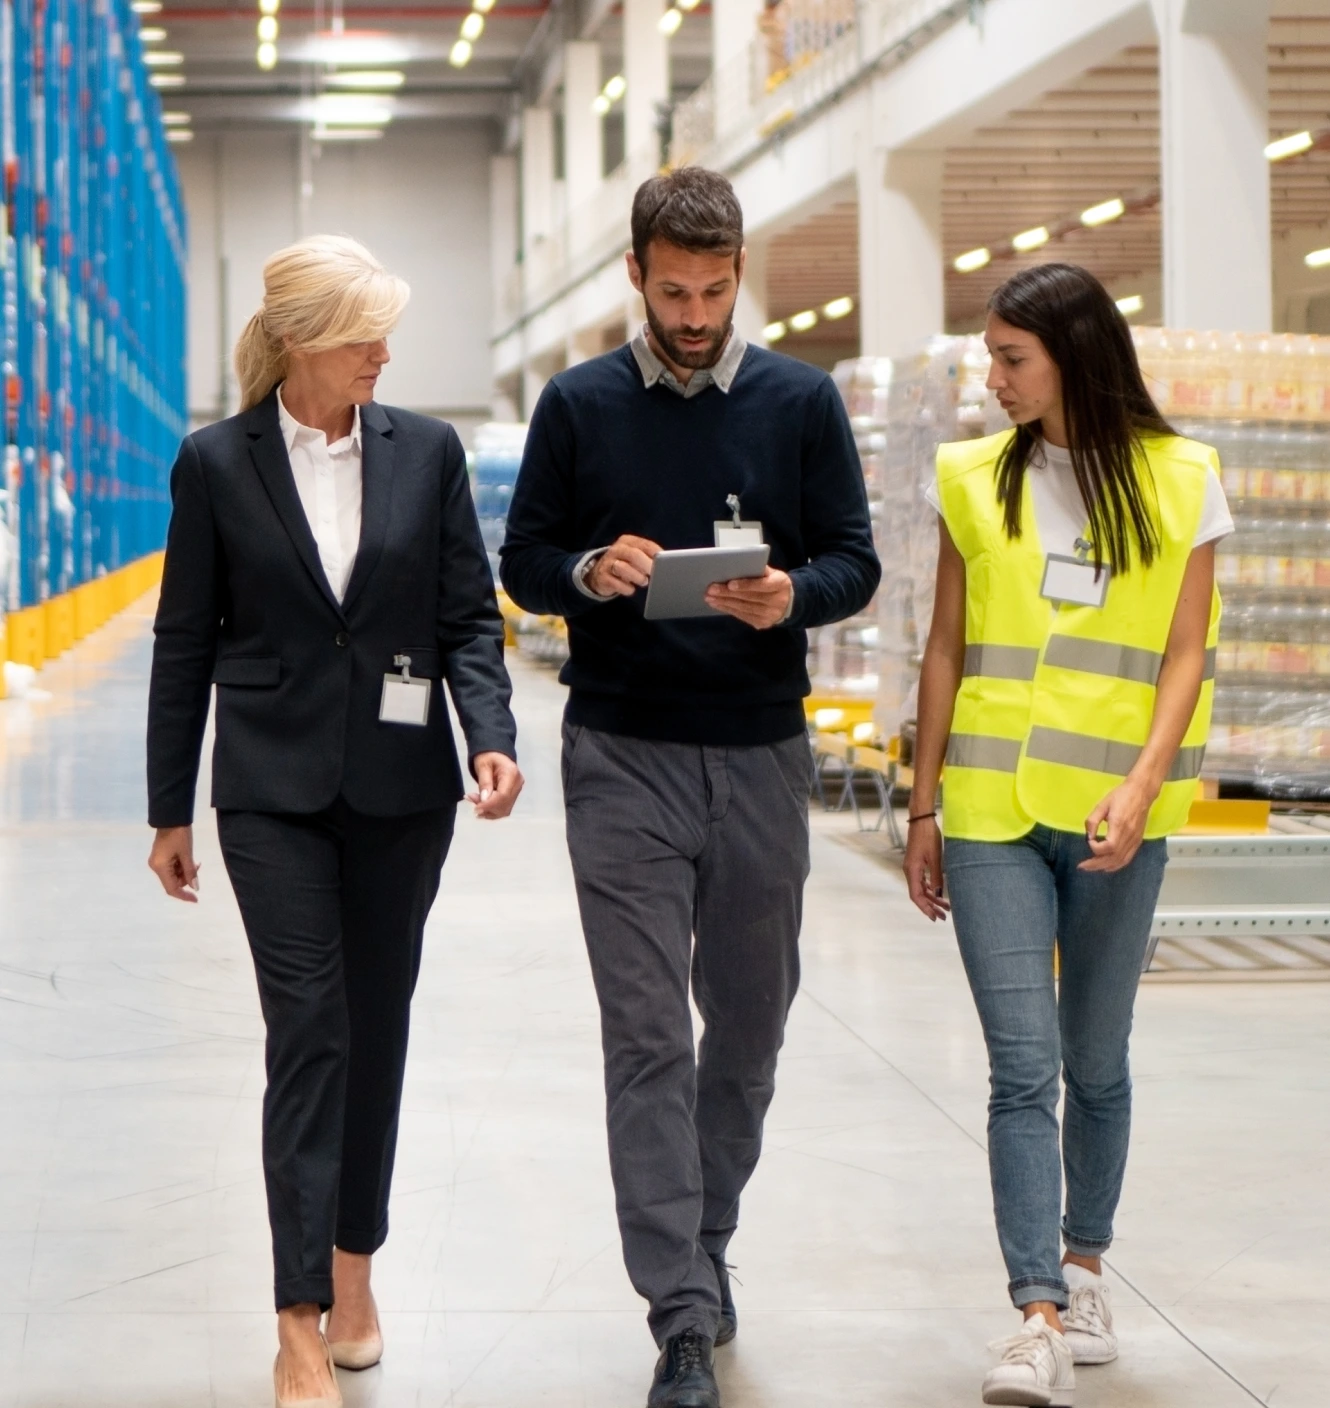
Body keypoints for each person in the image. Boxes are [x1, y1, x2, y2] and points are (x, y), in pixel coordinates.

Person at [500, 167, 880, 1408]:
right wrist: (587, 570)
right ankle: (676, 1309)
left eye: (718, 289)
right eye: (676, 290)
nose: (699, 312)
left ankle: (703, 1246)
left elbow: (853, 562)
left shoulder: (801, 401)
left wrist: (792, 596)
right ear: (635, 275)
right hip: (621, 755)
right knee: (649, 1035)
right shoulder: (576, 405)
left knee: (752, 1025)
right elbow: (523, 563)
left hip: (763, 751)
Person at [146, 235, 523, 1408]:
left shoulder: (429, 451)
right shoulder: (216, 462)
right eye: (363, 331)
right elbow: (183, 636)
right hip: (269, 789)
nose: (384, 351)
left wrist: (492, 731)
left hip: (404, 790)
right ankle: (298, 1316)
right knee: (309, 1029)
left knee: (375, 1028)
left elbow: (468, 613)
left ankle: (355, 1263)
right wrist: (170, 806)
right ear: (304, 337)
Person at [904, 263, 1231, 1407]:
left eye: (1009, 359)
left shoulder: (1182, 477)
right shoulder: (968, 478)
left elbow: (1185, 652)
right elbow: (944, 647)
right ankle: (1034, 1308)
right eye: (988, 356)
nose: (987, 379)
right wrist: (920, 804)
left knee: (1096, 1061)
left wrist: (1143, 785)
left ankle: (1085, 1265)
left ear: (1073, 355)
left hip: (1114, 818)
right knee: (1020, 1066)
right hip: (991, 810)